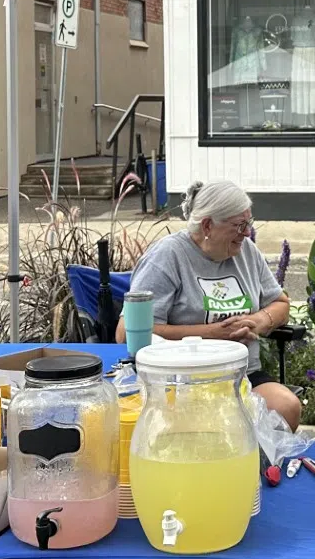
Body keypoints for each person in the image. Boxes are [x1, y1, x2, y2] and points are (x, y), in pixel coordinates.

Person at [122, 179, 301, 429]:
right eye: (239, 226)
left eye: (248, 224)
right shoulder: (168, 256)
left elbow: (280, 303)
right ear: (207, 225)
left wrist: (259, 321)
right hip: (181, 381)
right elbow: (126, 333)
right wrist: (211, 336)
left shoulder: (246, 251)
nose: (247, 233)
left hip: (242, 375)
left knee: (287, 407)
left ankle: (260, 469)